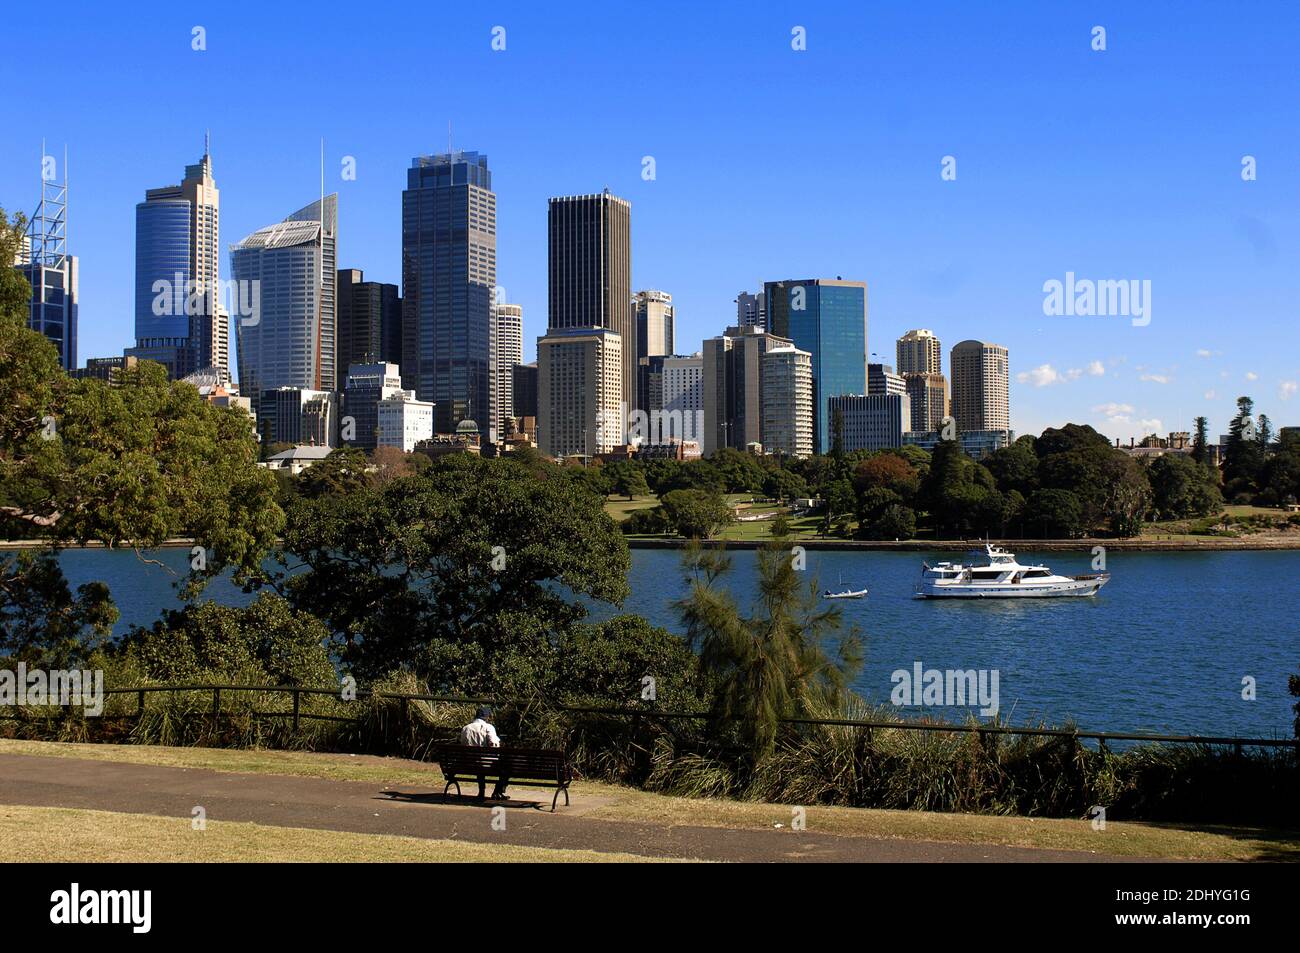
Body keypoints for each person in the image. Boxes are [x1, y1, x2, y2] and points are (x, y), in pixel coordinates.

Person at [460, 706, 509, 800]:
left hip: (469, 763)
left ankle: (481, 791)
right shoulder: (488, 727)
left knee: (479, 764)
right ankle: (497, 791)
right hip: (486, 763)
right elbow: (494, 745)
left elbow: (462, 743)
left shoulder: (465, 728)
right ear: (487, 717)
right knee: (507, 767)